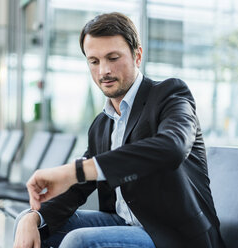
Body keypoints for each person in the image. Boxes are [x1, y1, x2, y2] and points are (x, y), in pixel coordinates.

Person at [13, 12, 225, 248]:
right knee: (31, 225)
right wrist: (35, 216)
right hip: (125, 224)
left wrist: (76, 170)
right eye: (94, 61)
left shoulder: (170, 95)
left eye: (113, 58)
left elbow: (172, 148)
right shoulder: (102, 124)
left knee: (79, 241)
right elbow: (79, 187)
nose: (103, 71)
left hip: (173, 236)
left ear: (137, 55)